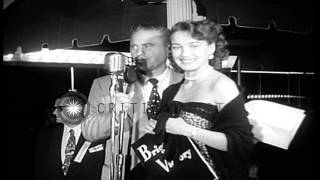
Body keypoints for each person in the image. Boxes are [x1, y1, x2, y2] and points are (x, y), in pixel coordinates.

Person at [135, 19, 254, 180]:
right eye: (177, 47)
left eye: (194, 45)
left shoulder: (222, 86)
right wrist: (155, 127)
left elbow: (241, 143)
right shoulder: (171, 91)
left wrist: (189, 130)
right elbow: (167, 136)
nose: (184, 54)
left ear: (211, 48)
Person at [81, 24, 184, 179]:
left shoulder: (188, 84)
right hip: (121, 174)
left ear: (167, 48)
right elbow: (89, 131)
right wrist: (114, 116)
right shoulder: (105, 84)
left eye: (147, 46)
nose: (139, 52)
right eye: (134, 46)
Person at [34, 91, 106, 180]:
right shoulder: (45, 137)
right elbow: (39, 172)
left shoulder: (99, 135)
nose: (54, 112)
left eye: (59, 108)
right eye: (55, 108)